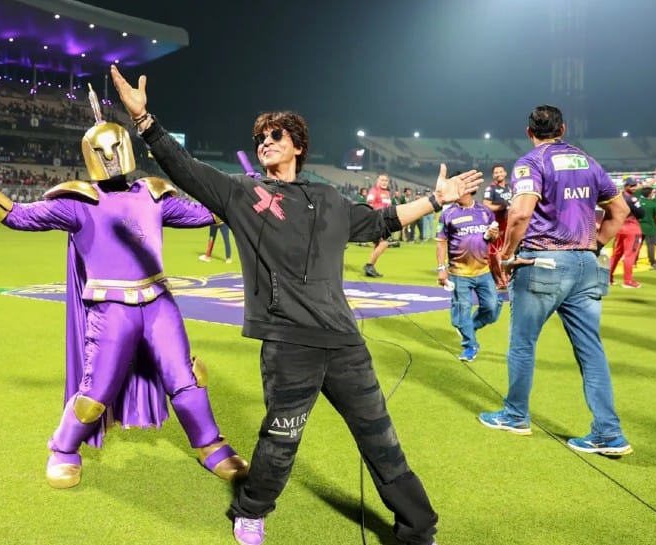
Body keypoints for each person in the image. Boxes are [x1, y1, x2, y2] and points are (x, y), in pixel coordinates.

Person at [111, 64, 482, 545]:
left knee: (381, 441)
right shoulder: (243, 192)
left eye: (276, 134)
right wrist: (146, 123)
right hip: (289, 346)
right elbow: (187, 170)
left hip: (346, 344)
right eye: (260, 136)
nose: (266, 141)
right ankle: (251, 509)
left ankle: (418, 528)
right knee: (281, 441)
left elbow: (381, 222)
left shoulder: (328, 197)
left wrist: (437, 199)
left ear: (298, 146)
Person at [0, 85, 247, 490]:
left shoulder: (153, 193)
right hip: (111, 308)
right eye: (102, 152)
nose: (112, 157)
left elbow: (209, 212)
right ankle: (63, 448)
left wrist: (245, 191)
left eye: (116, 148)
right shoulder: (78, 200)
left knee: (186, 377)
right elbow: (18, 216)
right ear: (91, 156)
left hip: (159, 303)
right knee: (95, 390)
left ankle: (211, 445)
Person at [477, 104, 633, 456]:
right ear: (563, 129)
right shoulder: (588, 162)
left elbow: (519, 212)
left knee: (522, 344)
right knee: (591, 351)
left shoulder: (531, 162)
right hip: (587, 265)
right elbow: (619, 210)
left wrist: (505, 253)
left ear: (529, 132)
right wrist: (594, 244)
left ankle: (515, 415)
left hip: (542, 262)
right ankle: (609, 433)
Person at [435, 180, 502, 362]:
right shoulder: (448, 214)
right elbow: (441, 243)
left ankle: (469, 326)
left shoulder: (484, 212)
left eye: (460, 188)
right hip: (459, 274)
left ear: (471, 190)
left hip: (483, 271)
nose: (457, 192)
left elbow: (492, 237)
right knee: (462, 310)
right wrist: (442, 269)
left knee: (491, 308)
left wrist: (493, 235)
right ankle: (470, 346)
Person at [608, 178, 644, 288]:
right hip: (632, 228)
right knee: (630, 255)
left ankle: (608, 278)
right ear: (626, 186)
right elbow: (641, 213)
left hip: (620, 227)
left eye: (635, 186)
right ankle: (628, 281)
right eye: (632, 186)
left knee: (616, 254)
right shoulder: (632, 199)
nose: (634, 188)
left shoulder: (617, 197)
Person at [482, 164, 512, 289]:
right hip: (495, 224)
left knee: (508, 251)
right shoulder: (491, 189)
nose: (499, 174)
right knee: (494, 252)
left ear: (505, 173)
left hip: (508, 224)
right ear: (493, 175)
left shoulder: (510, 188)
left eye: (501, 171)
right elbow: (486, 204)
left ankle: (507, 276)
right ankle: (499, 280)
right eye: (496, 172)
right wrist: (502, 206)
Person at [363, 173, 393, 277]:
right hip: (376, 221)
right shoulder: (374, 191)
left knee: (377, 246)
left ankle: (370, 268)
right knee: (384, 244)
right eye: (382, 180)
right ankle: (369, 265)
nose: (384, 182)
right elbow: (369, 205)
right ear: (377, 181)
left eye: (386, 180)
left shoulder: (387, 193)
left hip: (384, 222)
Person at [637, 186, 656, 269]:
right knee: (651, 246)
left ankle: (634, 262)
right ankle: (652, 262)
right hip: (651, 227)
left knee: (637, 245)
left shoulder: (639, 202)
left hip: (639, 226)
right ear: (650, 194)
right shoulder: (653, 204)